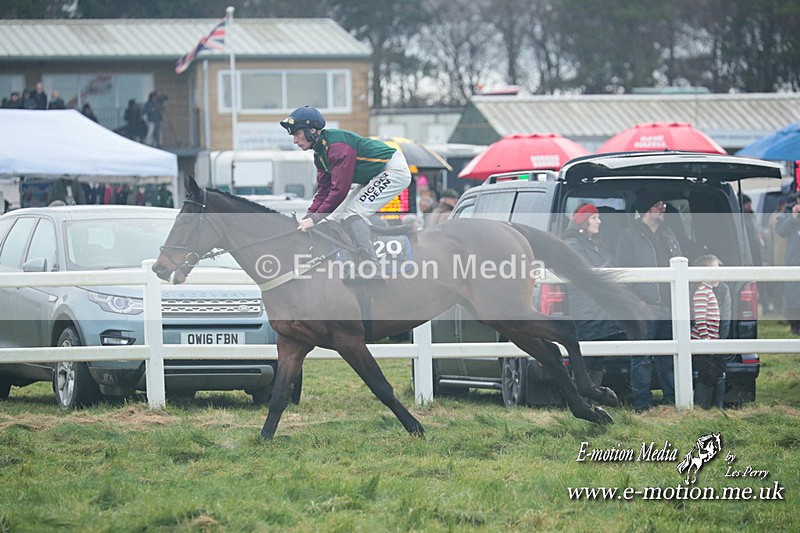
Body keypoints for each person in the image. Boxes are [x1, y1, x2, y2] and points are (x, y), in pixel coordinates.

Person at [280, 106, 411, 278]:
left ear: (312, 131)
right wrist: (308, 217)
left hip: (393, 170)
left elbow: (339, 191)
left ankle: (372, 265)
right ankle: (350, 260)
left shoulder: (337, 147)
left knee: (352, 213)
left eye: (297, 134)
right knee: (335, 217)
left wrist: (314, 219)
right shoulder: (320, 154)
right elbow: (323, 192)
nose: (295, 140)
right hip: (375, 174)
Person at [615, 193, 682, 413]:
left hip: (670, 307)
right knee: (641, 358)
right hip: (645, 309)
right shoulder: (628, 237)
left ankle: (672, 404)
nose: (663, 208)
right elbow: (621, 275)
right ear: (646, 209)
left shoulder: (669, 235)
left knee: (670, 358)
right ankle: (642, 406)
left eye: (663, 204)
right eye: (658, 205)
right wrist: (639, 304)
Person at [562, 203, 627, 385]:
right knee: (585, 360)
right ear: (583, 222)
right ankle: (582, 398)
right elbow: (586, 273)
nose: (599, 221)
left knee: (598, 360)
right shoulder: (573, 244)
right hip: (587, 312)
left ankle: (594, 396)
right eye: (594, 218)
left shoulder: (597, 244)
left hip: (601, 310)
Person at [690, 254, 725, 409]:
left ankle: (716, 407)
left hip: (710, 341)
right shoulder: (702, 292)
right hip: (703, 343)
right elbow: (700, 319)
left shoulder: (708, 291)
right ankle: (702, 407)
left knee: (717, 370)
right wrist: (706, 341)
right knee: (706, 373)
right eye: (714, 269)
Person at [776, 194, 800, 335]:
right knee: (793, 297)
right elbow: (780, 230)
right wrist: (793, 217)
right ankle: (795, 326)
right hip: (794, 260)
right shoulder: (788, 212)